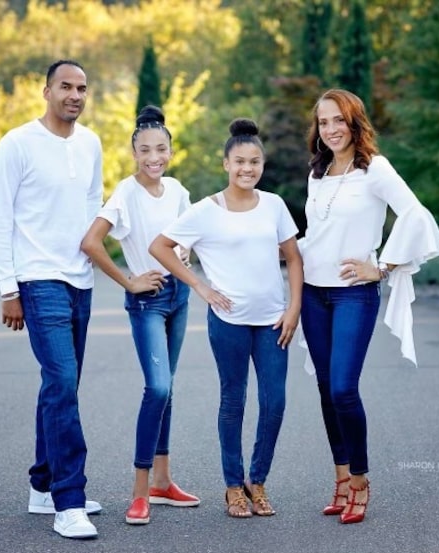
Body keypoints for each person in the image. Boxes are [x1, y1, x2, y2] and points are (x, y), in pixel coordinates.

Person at [299, 89, 439, 524]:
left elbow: (416, 215)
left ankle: (361, 480)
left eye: (338, 120)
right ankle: (341, 478)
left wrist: (380, 267)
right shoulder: (318, 171)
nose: (330, 129)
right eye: (323, 122)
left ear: (354, 121)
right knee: (326, 389)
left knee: (344, 388)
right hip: (312, 291)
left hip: (352, 294)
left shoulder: (375, 169)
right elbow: (316, 233)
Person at [150, 119, 303, 518]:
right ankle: (234, 486)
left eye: (254, 162)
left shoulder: (274, 205)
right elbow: (161, 246)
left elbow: (294, 256)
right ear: (226, 164)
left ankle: (258, 481)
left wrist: (294, 309)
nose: (247, 169)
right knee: (233, 401)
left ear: (262, 165)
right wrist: (200, 287)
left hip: (273, 322)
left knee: (275, 402)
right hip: (228, 322)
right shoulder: (205, 211)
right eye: (239, 162)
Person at [0, 59, 104, 540]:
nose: (74, 95)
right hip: (37, 279)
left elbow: (95, 206)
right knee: (61, 384)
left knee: (60, 386)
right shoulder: (17, 144)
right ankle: (68, 501)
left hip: (81, 280)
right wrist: (7, 288)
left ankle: (42, 486)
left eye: (82, 88)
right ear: (46, 91)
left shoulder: (91, 142)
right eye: (66, 87)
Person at [80, 105, 200, 526]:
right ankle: (139, 491)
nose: (154, 157)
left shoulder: (179, 190)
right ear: (134, 153)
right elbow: (92, 242)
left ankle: (164, 484)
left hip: (179, 297)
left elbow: (188, 237)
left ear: (170, 150)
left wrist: (184, 255)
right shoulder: (125, 194)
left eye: (161, 149)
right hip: (147, 300)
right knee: (159, 388)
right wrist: (129, 281)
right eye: (145, 150)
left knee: (168, 389)